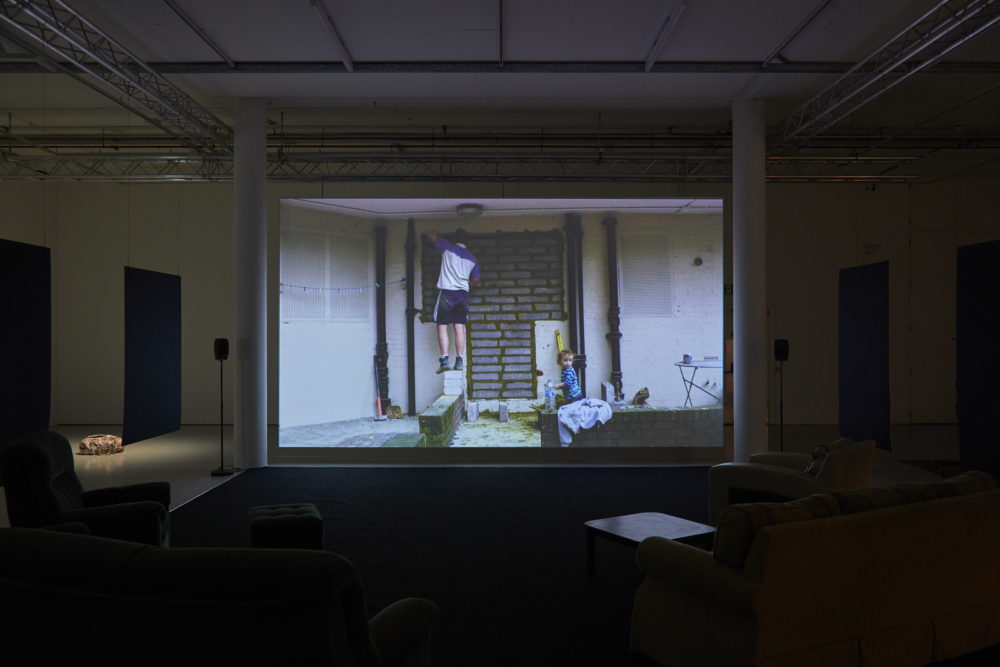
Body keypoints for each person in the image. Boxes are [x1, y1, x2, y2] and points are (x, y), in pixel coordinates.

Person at [427, 229, 480, 373]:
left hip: (447, 292)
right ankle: (459, 360)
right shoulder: (472, 258)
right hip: (463, 294)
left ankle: (444, 360)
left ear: (454, 239)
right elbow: (475, 279)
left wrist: (427, 228)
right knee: (459, 327)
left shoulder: (447, 247)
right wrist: (467, 285)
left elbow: (432, 234)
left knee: (442, 325)